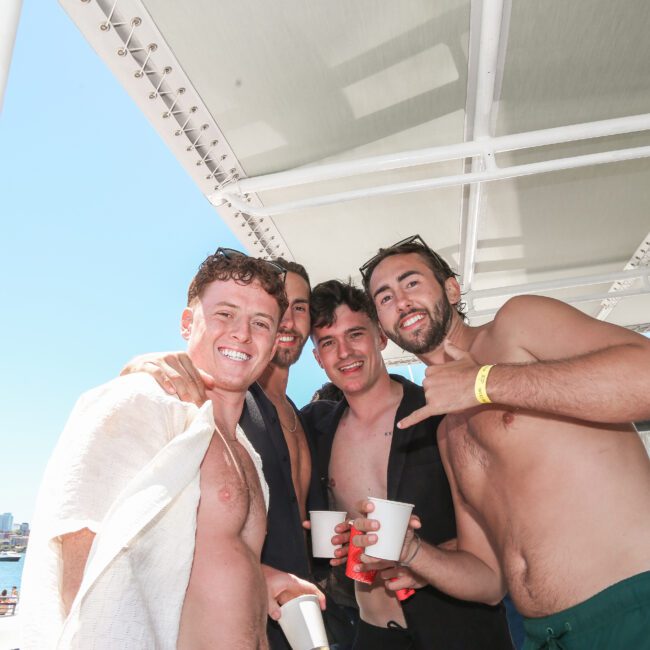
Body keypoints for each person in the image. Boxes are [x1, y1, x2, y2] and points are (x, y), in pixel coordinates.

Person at [356, 234, 650, 650]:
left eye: (411, 283)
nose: (400, 302)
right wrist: (412, 552)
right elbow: (489, 578)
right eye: (384, 298)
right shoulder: (446, 431)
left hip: (633, 610)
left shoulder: (517, 325)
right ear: (383, 326)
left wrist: (484, 382)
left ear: (452, 289)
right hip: (541, 636)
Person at [21, 249, 321, 650]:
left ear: (271, 346)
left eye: (260, 323)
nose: (242, 334)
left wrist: (261, 578)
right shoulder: (139, 402)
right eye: (225, 314)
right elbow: (78, 567)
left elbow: (202, 558)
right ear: (187, 323)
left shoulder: (245, 451)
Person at [119, 259, 356, 650]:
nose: (287, 320)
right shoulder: (226, 397)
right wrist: (143, 368)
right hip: (235, 618)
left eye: (299, 308)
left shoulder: (309, 419)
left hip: (306, 614)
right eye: (279, 307)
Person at [301, 280, 513, 650]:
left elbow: (504, 526)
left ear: (381, 337)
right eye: (328, 343)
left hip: (458, 628)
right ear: (318, 358)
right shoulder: (319, 432)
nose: (345, 352)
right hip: (372, 633)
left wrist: (429, 562)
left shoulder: (441, 413)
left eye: (355, 334)